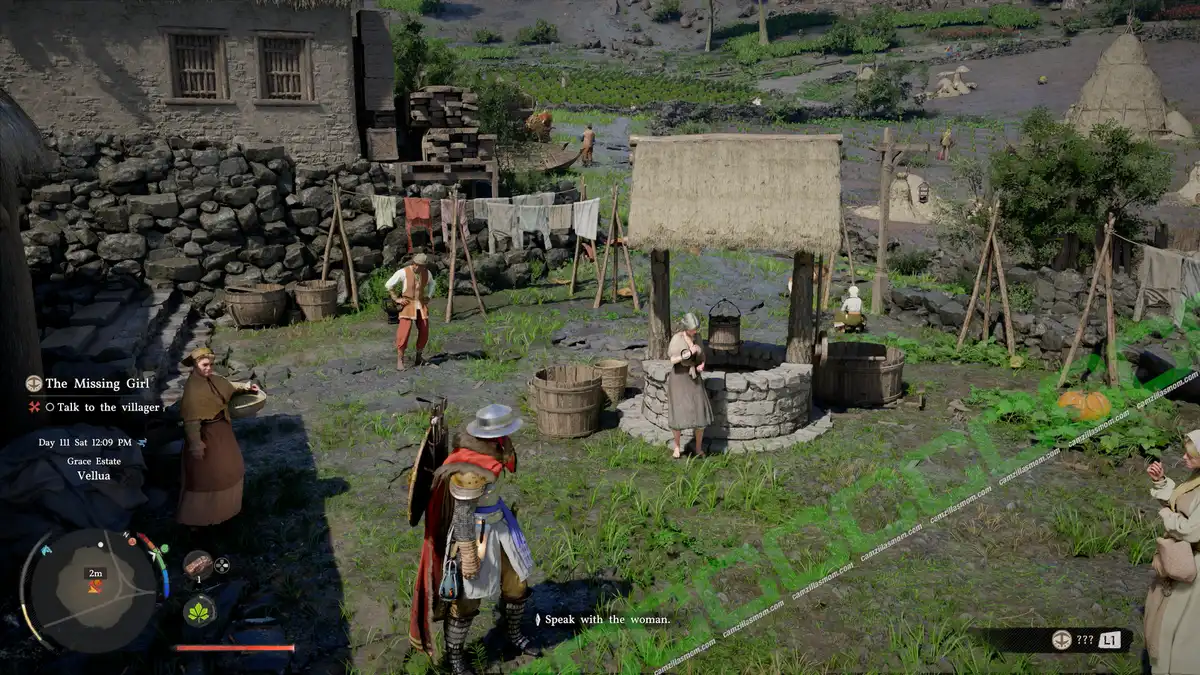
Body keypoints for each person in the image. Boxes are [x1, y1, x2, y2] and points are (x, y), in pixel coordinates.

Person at [409, 404, 541, 675]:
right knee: (467, 599)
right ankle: (455, 655)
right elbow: (462, 515)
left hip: (501, 523)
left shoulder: (496, 447)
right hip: (475, 533)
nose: (507, 438)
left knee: (517, 583)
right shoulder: (469, 469)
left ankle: (512, 632)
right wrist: (467, 554)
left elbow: (509, 463)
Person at [178, 347, 258, 536]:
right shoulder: (192, 391)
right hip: (207, 436)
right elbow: (191, 421)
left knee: (232, 468)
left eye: (211, 365)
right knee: (208, 477)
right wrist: (196, 444)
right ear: (195, 365)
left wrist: (246, 387)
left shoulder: (212, 380)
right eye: (205, 365)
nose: (209, 368)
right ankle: (198, 520)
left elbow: (226, 385)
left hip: (222, 431)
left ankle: (228, 511)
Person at [1144, 432, 1200, 674]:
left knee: (1180, 629)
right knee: (1162, 618)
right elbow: (1182, 503)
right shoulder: (1196, 479)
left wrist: (1168, 517)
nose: (1184, 457)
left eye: (1191, 455)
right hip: (1183, 558)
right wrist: (1162, 482)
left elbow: (1192, 531)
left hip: (1195, 568)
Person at [667, 313, 712, 459]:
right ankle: (677, 447)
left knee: (699, 410)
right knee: (679, 412)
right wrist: (687, 354)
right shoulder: (677, 339)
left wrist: (701, 365)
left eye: (696, 329)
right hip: (679, 378)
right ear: (686, 327)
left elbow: (702, 356)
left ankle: (698, 447)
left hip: (694, 378)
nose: (695, 332)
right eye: (693, 329)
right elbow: (673, 360)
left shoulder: (697, 338)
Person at [386, 253, 435, 371]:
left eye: (423, 266)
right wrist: (397, 299)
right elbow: (389, 284)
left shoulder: (426, 273)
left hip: (420, 304)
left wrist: (429, 295)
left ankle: (419, 358)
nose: (422, 268)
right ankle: (400, 360)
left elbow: (432, 283)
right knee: (404, 332)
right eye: (420, 266)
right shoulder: (403, 272)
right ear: (414, 264)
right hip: (407, 305)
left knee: (424, 330)